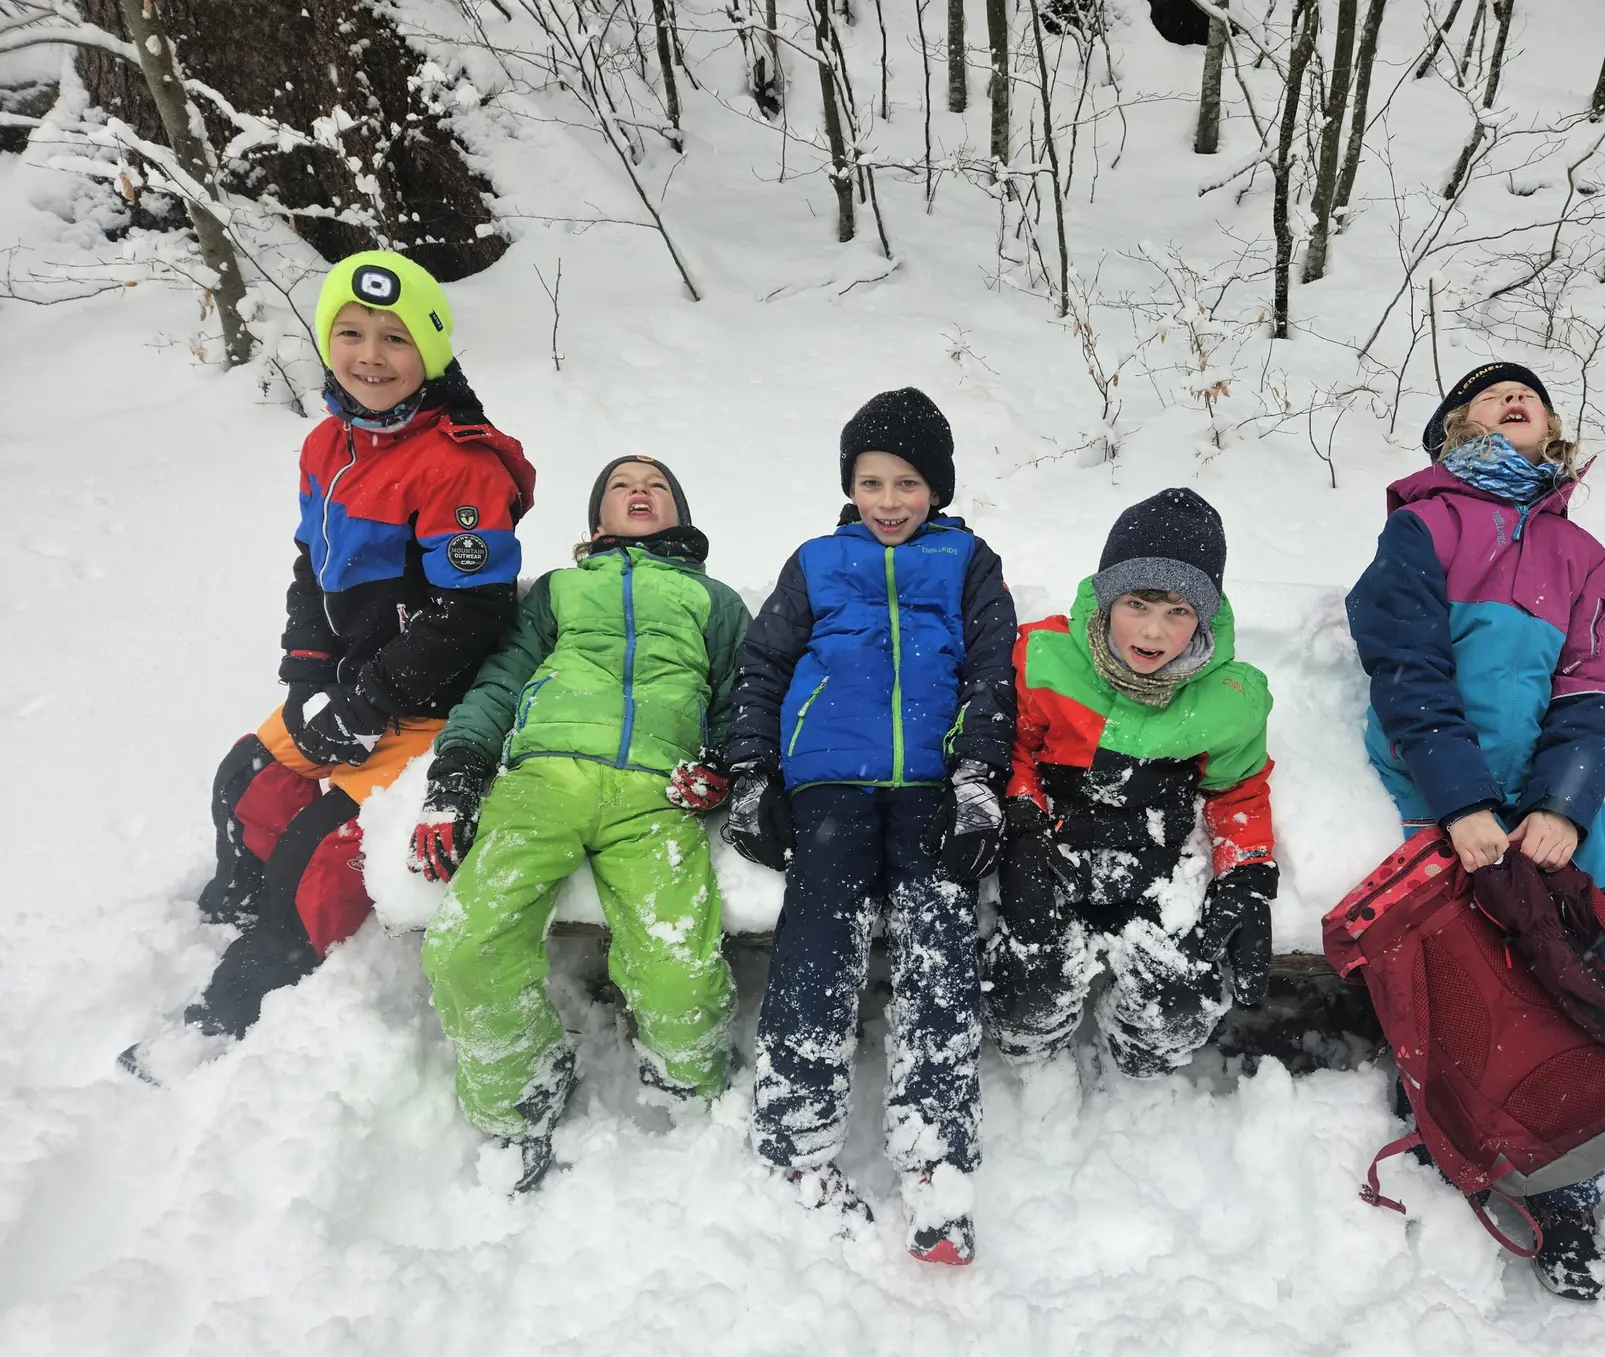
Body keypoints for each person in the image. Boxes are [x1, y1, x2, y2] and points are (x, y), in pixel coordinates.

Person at [121, 251, 534, 1081]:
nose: (370, 356)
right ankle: (238, 910)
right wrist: (309, 678)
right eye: (350, 333)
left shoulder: (460, 463)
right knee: (244, 785)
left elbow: (473, 613)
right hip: (349, 687)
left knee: (314, 849)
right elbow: (312, 568)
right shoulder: (326, 443)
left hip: (429, 706)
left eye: (395, 338)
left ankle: (255, 983)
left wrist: (370, 700)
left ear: (431, 351)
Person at [1345, 360, 1605, 1301]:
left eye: (1531, 395)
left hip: (1541, 798)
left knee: (1594, 940)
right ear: (1453, 430)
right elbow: (1406, 667)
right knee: (1457, 956)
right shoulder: (1425, 525)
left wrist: (1563, 804)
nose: (1516, 398)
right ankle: (1455, 1131)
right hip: (1434, 785)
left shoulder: (1578, 554)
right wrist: (1463, 802)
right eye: (1491, 393)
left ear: (1551, 428)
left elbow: (1592, 688)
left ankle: (1570, 1180)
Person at [723, 388, 1016, 1267]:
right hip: (828, 783)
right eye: (871, 482)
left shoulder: (967, 561)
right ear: (849, 487)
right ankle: (796, 1139)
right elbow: (763, 666)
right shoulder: (817, 561)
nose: (889, 502)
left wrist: (976, 780)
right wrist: (751, 774)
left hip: (929, 784)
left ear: (938, 488)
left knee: (939, 947)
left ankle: (936, 1164)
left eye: (908, 483)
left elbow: (992, 674)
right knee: (818, 938)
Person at [412, 455, 749, 1193]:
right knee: (466, 948)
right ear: (598, 518)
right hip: (542, 782)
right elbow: (502, 679)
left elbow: (743, 695)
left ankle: (692, 1089)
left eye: (657, 484)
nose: (640, 491)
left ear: (680, 512)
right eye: (622, 485)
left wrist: (725, 763)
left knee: (680, 971)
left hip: (658, 792)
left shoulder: (713, 600)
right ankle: (520, 1091)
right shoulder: (560, 591)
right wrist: (460, 767)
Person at [985, 488, 1277, 1088]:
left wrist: (1244, 876)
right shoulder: (1043, 658)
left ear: (1205, 618)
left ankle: (1140, 1066)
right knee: (1028, 987)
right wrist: (1023, 822)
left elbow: (1237, 791)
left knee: (1176, 1002)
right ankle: (1030, 1061)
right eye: (1137, 604)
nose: (1152, 630)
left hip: (1156, 855)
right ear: (1107, 598)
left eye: (1179, 612)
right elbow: (1012, 748)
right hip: (1056, 845)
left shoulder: (1230, 698)